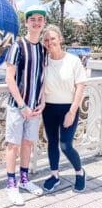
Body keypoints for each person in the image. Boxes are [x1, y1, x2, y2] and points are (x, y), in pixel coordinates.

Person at [5, 5, 47, 205]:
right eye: (33, 19)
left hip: (35, 107)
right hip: (17, 106)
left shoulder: (43, 49)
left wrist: (43, 101)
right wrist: (22, 106)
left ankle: (24, 180)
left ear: (43, 23)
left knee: (28, 143)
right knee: (13, 144)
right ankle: (11, 184)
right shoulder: (17, 45)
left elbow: (42, 78)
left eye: (40, 19)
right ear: (26, 22)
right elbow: (10, 78)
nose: (36, 22)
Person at [42, 25, 87, 193]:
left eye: (52, 38)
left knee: (66, 145)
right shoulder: (43, 61)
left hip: (69, 108)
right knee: (52, 142)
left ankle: (80, 172)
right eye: (46, 40)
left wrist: (72, 111)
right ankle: (54, 176)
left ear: (60, 39)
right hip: (48, 109)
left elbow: (80, 87)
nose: (49, 42)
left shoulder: (73, 60)